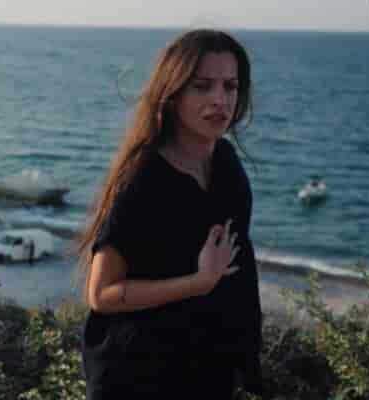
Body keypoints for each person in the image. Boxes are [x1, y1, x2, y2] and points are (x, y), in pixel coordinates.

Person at [74, 29, 263, 399]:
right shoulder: (144, 180)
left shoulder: (226, 164)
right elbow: (101, 294)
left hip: (207, 370)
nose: (220, 100)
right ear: (173, 94)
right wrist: (198, 282)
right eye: (202, 87)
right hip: (138, 378)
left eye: (230, 86)